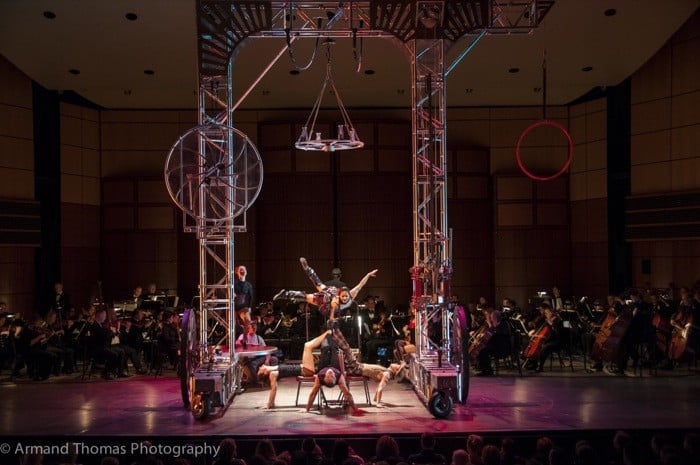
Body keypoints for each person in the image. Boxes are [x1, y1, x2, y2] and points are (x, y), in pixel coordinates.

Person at [274, 257, 378, 323]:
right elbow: (332, 308)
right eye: (343, 296)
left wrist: (368, 275)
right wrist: (331, 317)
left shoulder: (351, 295)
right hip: (327, 295)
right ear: (340, 295)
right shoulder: (337, 298)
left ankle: (285, 293)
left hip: (327, 305)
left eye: (346, 296)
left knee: (307, 295)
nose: (345, 298)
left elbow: (360, 285)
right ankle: (306, 269)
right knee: (315, 283)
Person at [475, 309, 511, 376]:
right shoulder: (498, 325)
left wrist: (487, 337)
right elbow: (492, 333)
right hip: (497, 345)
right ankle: (485, 369)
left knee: (483, 351)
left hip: (502, 348)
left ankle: (487, 371)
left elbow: (497, 336)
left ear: (495, 318)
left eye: (492, 318)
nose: (491, 320)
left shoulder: (503, 325)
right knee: (482, 349)